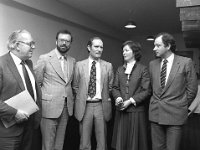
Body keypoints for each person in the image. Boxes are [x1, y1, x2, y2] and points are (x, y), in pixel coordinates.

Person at [149, 32, 198, 150]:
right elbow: (152, 88)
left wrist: (181, 105)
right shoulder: (152, 64)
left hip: (176, 114)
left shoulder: (186, 62)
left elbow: (192, 89)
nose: (154, 48)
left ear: (168, 46)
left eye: (158, 45)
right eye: (154, 45)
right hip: (156, 114)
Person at [0, 29, 42, 150]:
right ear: (17, 45)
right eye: (30, 44)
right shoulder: (1, 64)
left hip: (30, 127)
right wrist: (15, 113)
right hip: (9, 132)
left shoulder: (28, 63)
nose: (33, 47)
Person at [34, 29, 76, 150]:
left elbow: (70, 84)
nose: (64, 43)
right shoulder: (45, 58)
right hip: (48, 108)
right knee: (48, 145)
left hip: (66, 108)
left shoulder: (72, 61)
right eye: (62, 40)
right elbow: (37, 83)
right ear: (56, 41)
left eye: (67, 41)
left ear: (70, 43)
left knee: (59, 144)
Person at [73, 37, 114, 150]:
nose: (99, 49)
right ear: (89, 47)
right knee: (84, 141)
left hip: (101, 106)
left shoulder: (108, 66)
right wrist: (82, 97)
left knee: (102, 141)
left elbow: (110, 87)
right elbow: (75, 86)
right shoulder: (79, 65)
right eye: (96, 46)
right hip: (84, 106)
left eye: (101, 47)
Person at [111, 41, 151, 150]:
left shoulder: (143, 69)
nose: (123, 53)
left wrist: (130, 101)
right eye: (123, 50)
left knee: (135, 144)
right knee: (121, 143)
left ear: (134, 52)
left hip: (137, 111)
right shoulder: (119, 69)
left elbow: (146, 90)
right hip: (121, 111)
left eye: (126, 50)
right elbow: (115, 88)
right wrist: (118, 98)